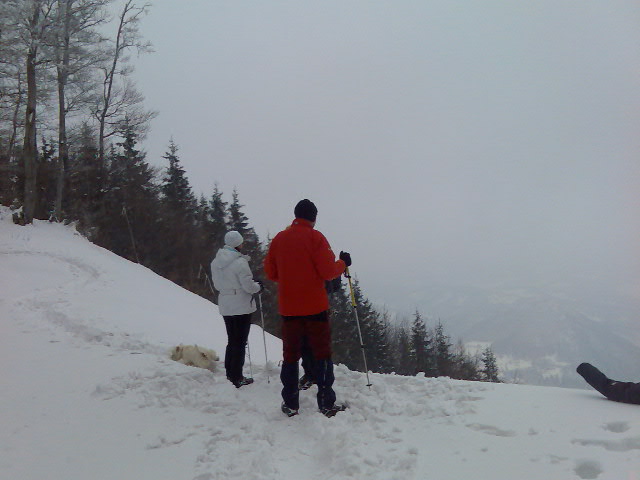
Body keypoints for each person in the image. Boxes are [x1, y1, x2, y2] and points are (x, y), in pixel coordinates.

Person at [264, 199, 351, 417]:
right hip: (315, 308)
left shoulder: (279, 239)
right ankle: (326, 403)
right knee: (321, 354)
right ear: (313, 217)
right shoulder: (316, 237)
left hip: (289, 308)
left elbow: (271, 273)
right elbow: (328, 271)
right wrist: (343, 263)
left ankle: (291, 404)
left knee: (291, 356)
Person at [211, 230, 262, 388]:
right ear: (237, 244)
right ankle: (237, 376)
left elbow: (217, 285)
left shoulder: (216, 262)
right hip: (240, 304)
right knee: (240, 341)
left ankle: (230, 372)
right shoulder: (240, 262)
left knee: (232, 339)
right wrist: (258, 287)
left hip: (226, 303)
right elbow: (248, 286)